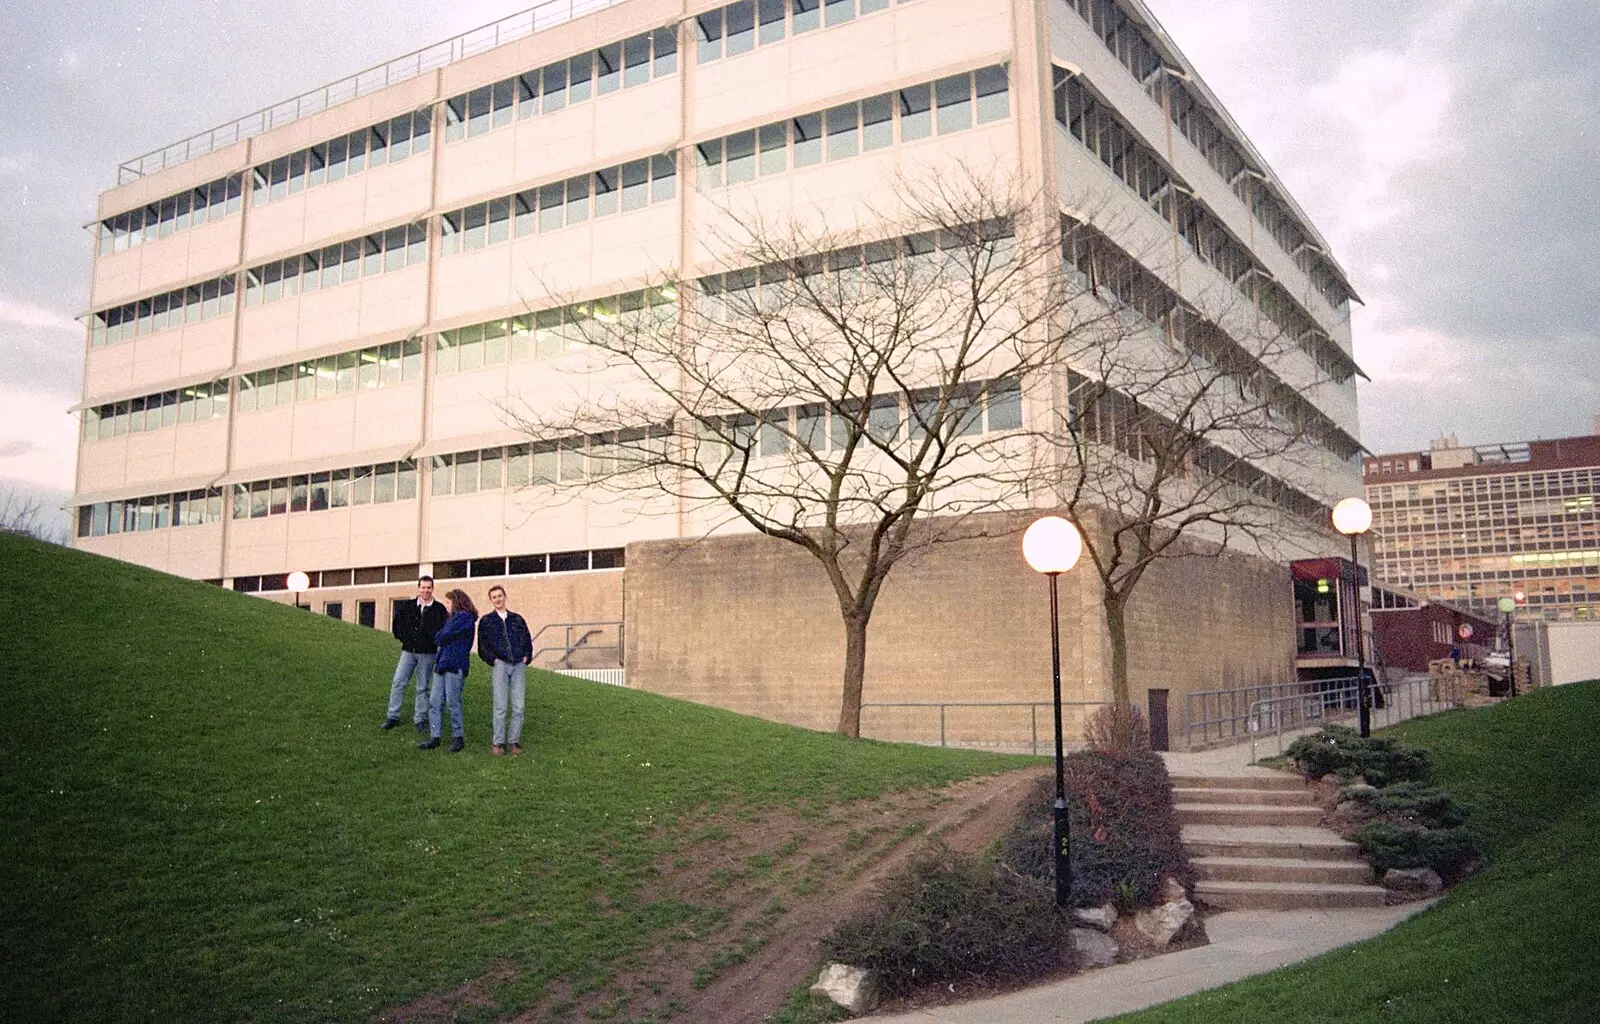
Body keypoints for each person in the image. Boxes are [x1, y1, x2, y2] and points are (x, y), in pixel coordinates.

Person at [383, 576, 449, 732]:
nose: (425, 590)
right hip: (408, 651)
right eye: (423, 587)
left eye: (428, 587)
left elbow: (443, 631)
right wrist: (405, 638)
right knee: (398, 682)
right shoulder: (409, 606)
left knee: (423, 687)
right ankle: (393, 716)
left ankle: (420, 719)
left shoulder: (439, 609)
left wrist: (432, 643)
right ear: (418, 588)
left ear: (433, 589)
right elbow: (397, 624)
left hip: (427, 654)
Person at [477, 584, 533, 756]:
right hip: (500, 664)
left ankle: (513, 741)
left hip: (517, 665)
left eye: (500, 596)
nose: (498, 599)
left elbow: (527, 639)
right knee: (500, 705)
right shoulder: (486, 621)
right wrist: (493, 659)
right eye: (494, 597)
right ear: (491, 600)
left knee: (518, 706)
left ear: (505, 596)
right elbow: (482, 646)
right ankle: (498, 742)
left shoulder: (517, 619)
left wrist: (527, 656)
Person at [420, 590, 478, 753]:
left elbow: (443, 635)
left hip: (455, 664)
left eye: (448, 602)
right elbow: (441, 636)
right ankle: (435, 736)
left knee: (453, 702)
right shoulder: (452, 619)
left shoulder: (465, 618)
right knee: (435, 701)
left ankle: (458, 737)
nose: (446, 606)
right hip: (443, 663)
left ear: (456, 601)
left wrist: (443, 635)